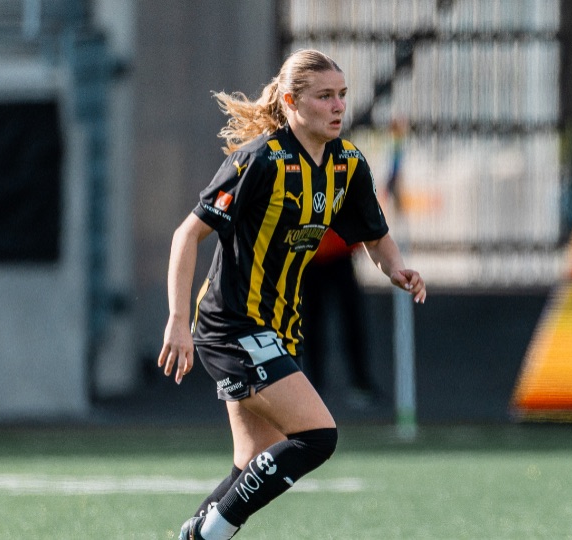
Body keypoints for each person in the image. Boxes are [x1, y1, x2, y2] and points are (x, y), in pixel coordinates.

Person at [157, 48, 426, 540]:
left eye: (342, 95)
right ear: (291, 102)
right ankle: (211, 532)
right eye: (324, 96)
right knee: (318, 435)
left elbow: (374, 234)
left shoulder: (347, 163)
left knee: (253, 461)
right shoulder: (259, 160)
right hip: (232, 326)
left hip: (279, 329)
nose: (337, 106)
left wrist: (396, 268)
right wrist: (177, 321)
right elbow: (186, 235)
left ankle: (195, 536)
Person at [299, 228, 381, 406]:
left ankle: (360, 381)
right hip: (310, 254)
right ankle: (314, 383)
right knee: (311, 323)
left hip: (339, 253)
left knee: (351, 318)